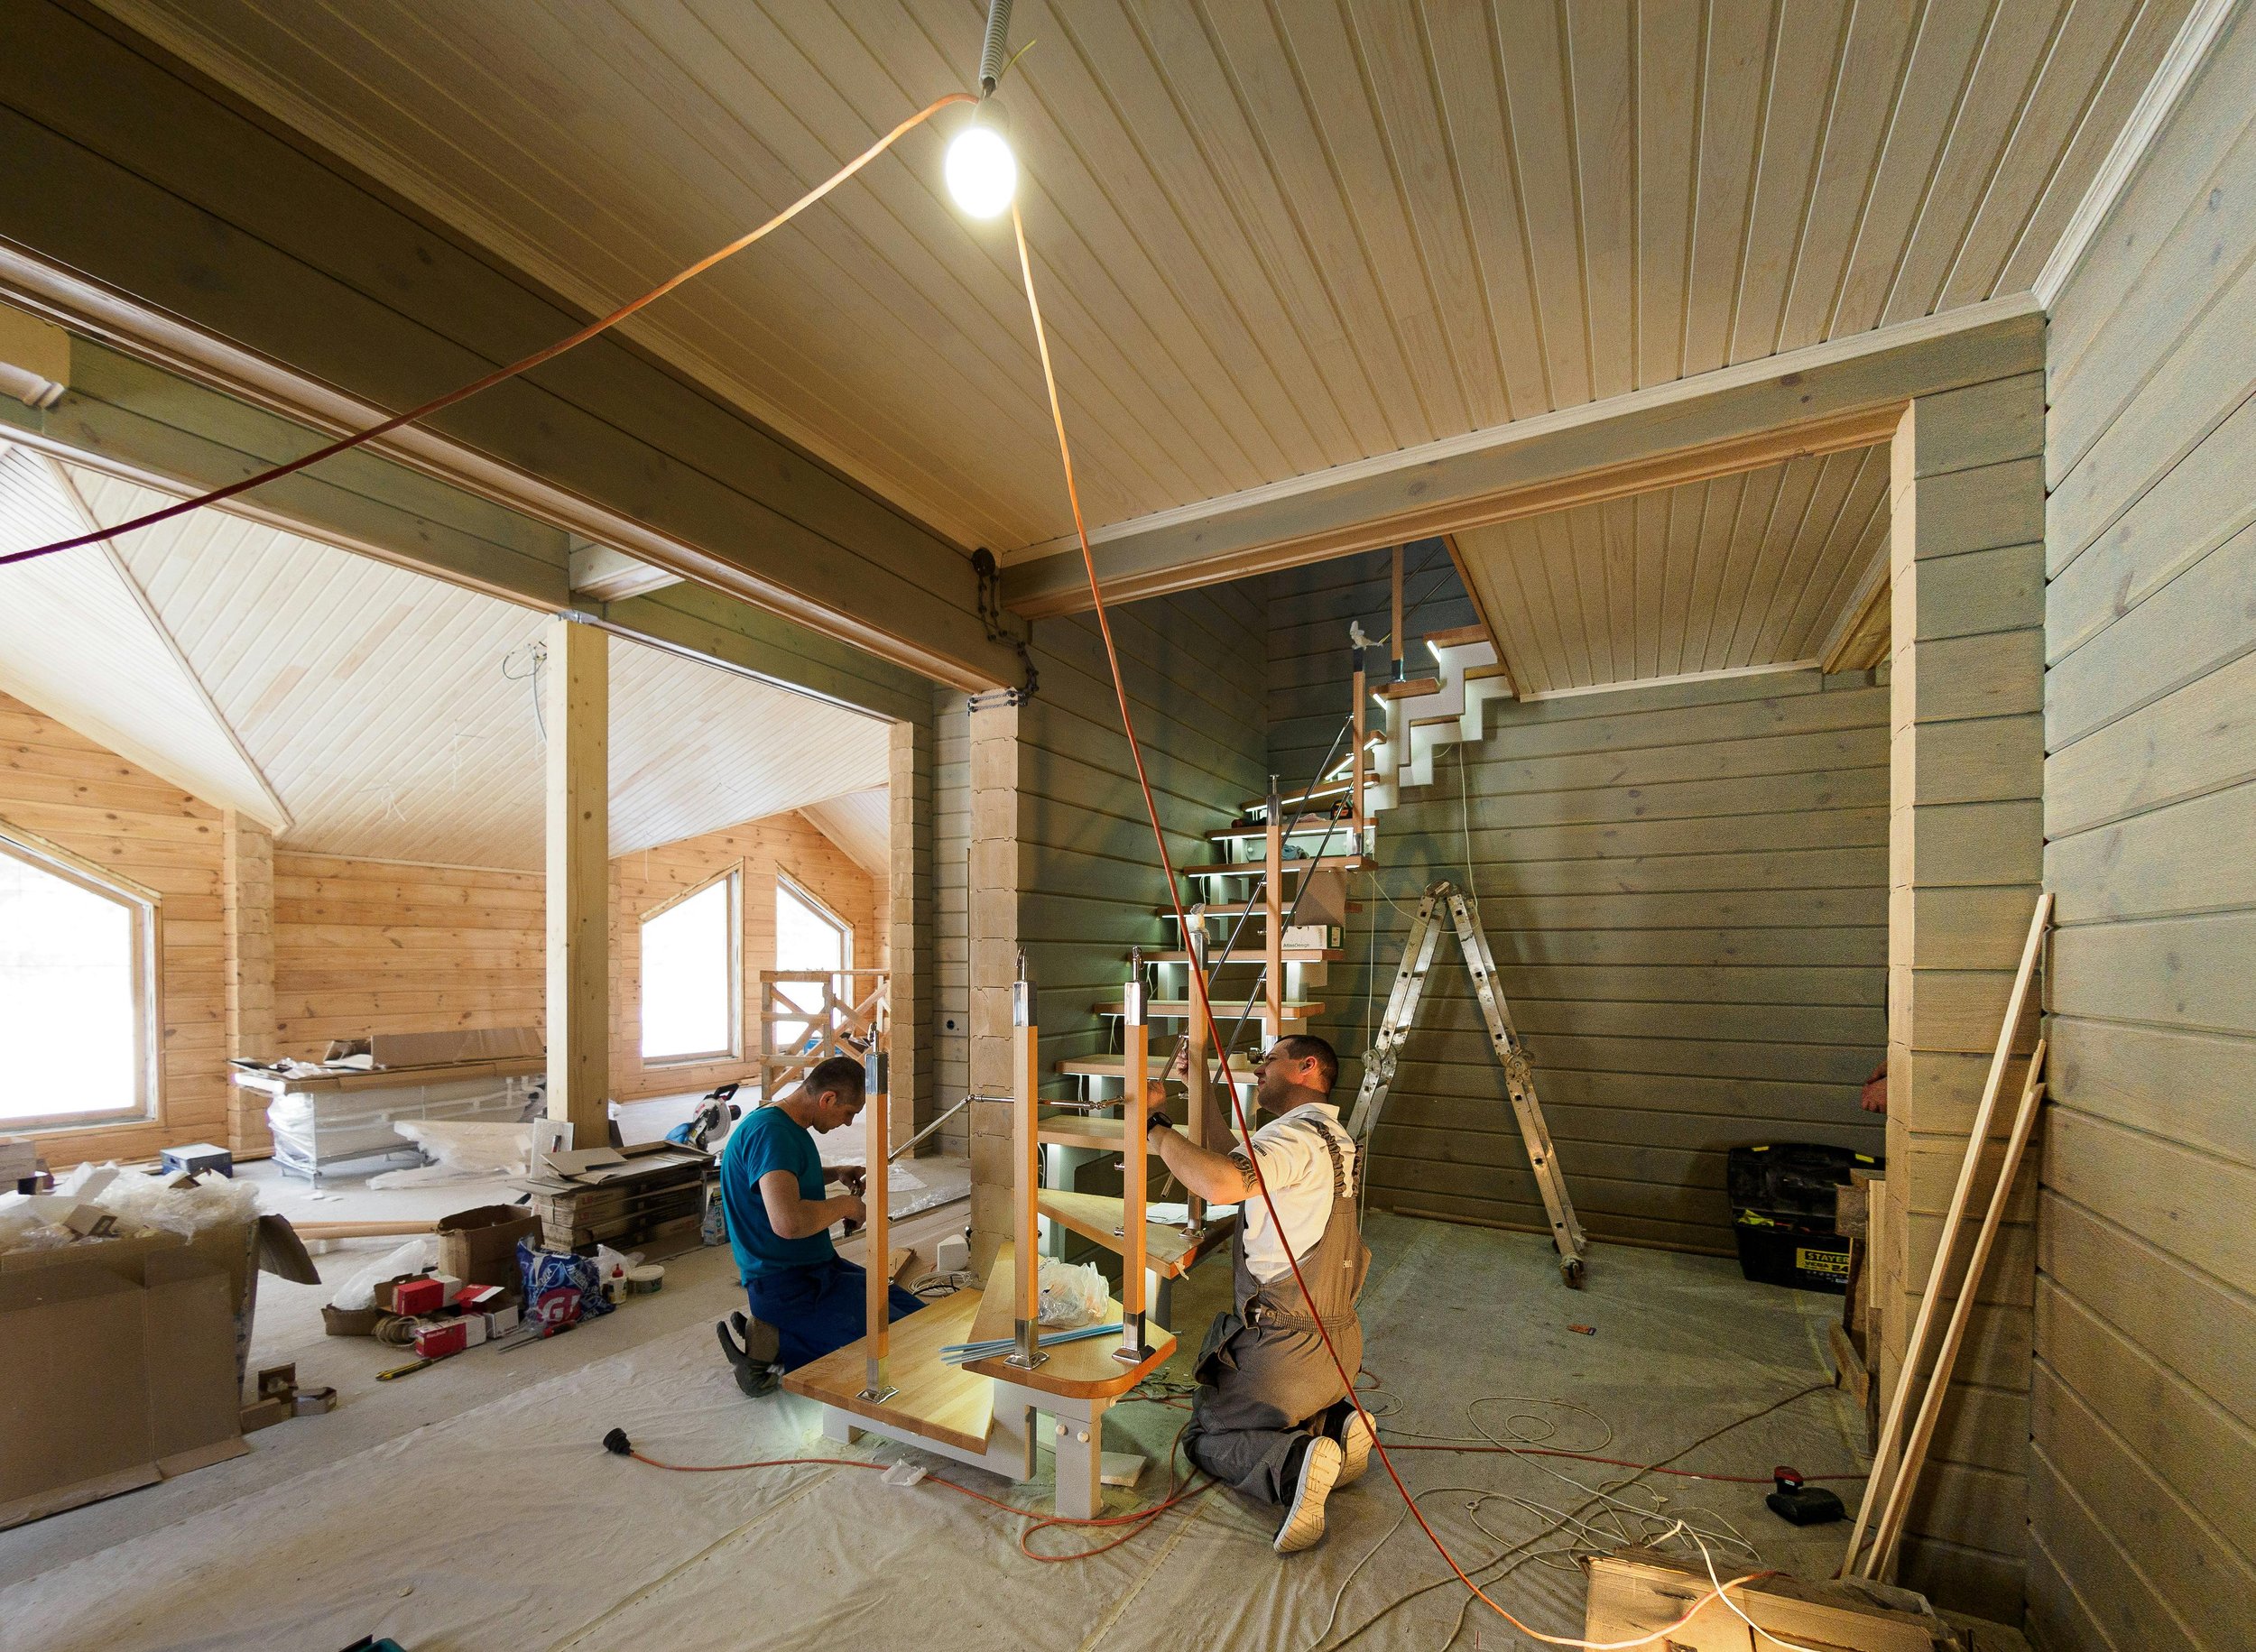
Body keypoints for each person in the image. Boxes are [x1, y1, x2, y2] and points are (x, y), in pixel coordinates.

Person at [1142, 1033, 1372, 1554]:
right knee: (1277, 1406)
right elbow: (1234, 1160)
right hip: (1338, 1351)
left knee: (1206, 1431)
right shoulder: (1327, 1137)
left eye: (1270, 1060)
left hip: (1283, 1355)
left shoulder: (1293, 1141)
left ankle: (1292, 1468)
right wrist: (1197, 1083)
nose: (1258, 1069)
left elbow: (1223, 1185)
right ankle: (1336, 1423)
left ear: (1307, 1067)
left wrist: (1154, 1127)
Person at [712, 1055, 922, 1396]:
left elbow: (782, 1179)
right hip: (787, 1285)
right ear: (828, 1099)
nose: (850, 1123)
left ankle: (779, 1335)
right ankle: (773, 1343)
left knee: (918, 1319)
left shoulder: (784, 1125)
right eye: (849, 1112)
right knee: (894, 1348)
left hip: (820, 1269)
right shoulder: (771, 1134)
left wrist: (834, 1173)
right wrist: (846, 1203)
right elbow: (788, 1222)